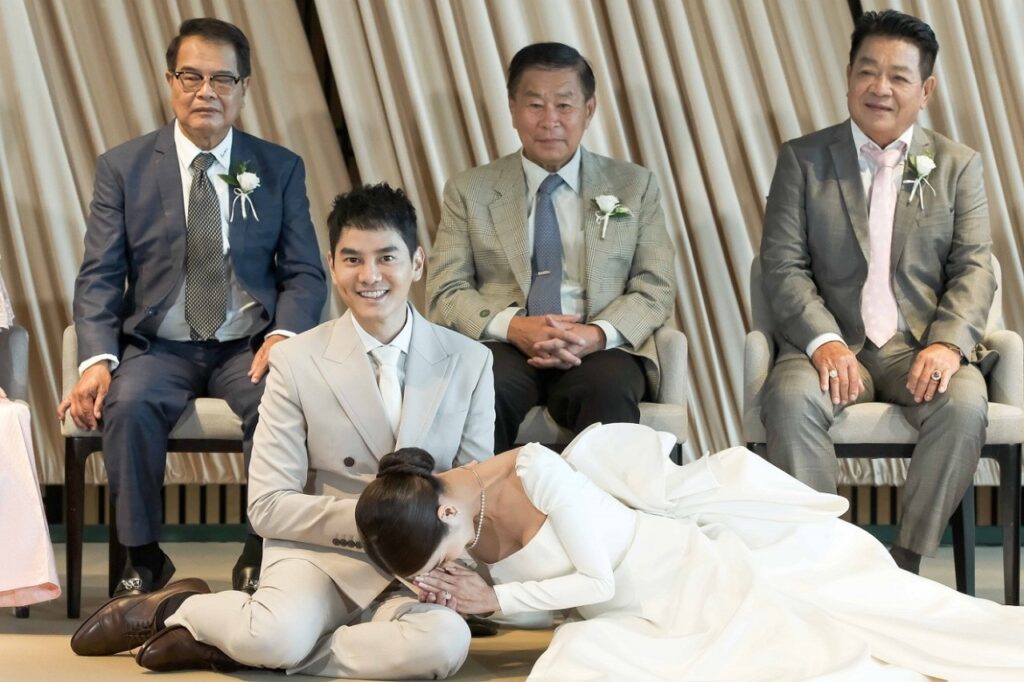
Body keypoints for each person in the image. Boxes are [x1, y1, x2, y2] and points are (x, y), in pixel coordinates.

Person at [71, 183, 494, 679]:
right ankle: (184, 610)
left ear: (417, 262)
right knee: (276, 636)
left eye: (387, 257)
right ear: (331, 265)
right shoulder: (296, 360)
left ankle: (242, 643)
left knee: (444, 644)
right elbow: (268, 505)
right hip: (320, 558)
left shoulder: (470, 361)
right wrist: (385, 523)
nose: (370, 275)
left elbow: (476, 499)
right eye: (353, 259)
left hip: (417, 568)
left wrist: (443, 560)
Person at [357, 422, 1024, 680]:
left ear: (446, 510)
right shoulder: (447, 517)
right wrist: (486, 604)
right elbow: (553, 606)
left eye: (437, 560)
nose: (445, 569)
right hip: (617, 613)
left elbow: (593, 580)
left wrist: (495, 598)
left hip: (678, 580)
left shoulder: (535, 472)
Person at [57, 17, 327, 594]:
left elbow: (305, 272)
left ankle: (262, 547)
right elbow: (100, 275)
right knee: (128, 404)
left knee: (280, 402)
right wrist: (97, 359)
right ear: (169, 82)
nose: (206, 91)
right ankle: (142, 558)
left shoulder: (277, 168)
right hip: (160, 346)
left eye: (222, 79)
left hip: (246, 345)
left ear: (244, 88)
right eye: (191, 76)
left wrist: (283, 335)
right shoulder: (124, 168)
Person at [759, 9, 995, 574]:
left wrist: (948, 345)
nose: (879, 88)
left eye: (898, 76)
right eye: (867, 71)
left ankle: (905, 562)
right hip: (828, 344)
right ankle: (826, 565)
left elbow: (974, 268)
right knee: (789, 399)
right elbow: (783, 265)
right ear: (848, 78)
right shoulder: (803, 158)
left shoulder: (957, 165)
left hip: (919, 346)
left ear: (926, 90)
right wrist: (822, 341)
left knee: (964, 404)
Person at [428, 42, 675, 453]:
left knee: (607, 390)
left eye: (564, 105)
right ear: (512, 110)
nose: (549, 121)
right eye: (534, 105)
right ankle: (484, 496)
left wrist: (595, 334)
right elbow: (445, 289)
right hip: (504, 344)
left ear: (589, 110)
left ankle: (604, 498)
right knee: (484, 387)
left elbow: (656, 285)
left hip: (598, 345)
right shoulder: (469, 190)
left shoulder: (634, 185)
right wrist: (513, 327)